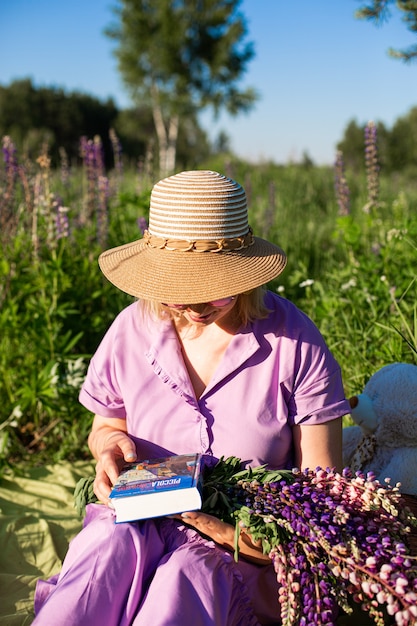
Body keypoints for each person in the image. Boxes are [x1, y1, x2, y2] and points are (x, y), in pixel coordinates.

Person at [33, 170, 350, 626]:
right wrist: (108, 447)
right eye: (178, 292)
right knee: (102, 560)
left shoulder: (295, 343)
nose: (196, 306)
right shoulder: (130, 329)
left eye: (214, 291)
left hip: (239, 546)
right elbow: (106, 425)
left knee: (184, 581)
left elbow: (320, 495)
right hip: (138, 517)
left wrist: (234, 535)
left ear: (245, 272)